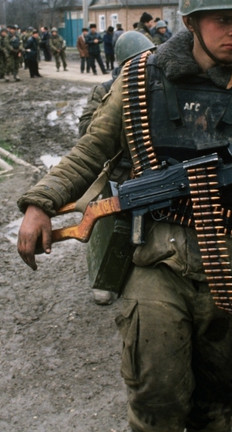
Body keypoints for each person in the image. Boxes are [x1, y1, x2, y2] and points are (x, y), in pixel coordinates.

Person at [17, 0, 232, 432]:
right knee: (156, 400)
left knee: (218, 404)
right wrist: (41, 203)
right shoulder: (141, 77)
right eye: (225, 21)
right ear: (192, 22)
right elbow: (90, 149)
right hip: (157, 257)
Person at [77, 31, 157, 306]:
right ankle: (104, 279)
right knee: (111, 226)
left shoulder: (160, 84)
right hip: (119, 172)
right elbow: (86, 131)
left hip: (149, 168)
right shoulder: (106, 89)